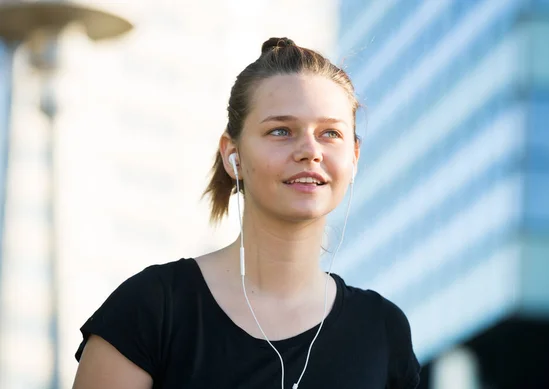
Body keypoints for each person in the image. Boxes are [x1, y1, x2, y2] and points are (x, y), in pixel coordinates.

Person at [72, 37, 421, 389]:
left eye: (330, 133)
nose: (310, 151)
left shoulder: (382, 329)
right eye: (281, 131)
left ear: (354, 156)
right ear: (232, 154)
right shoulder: (152, 309)